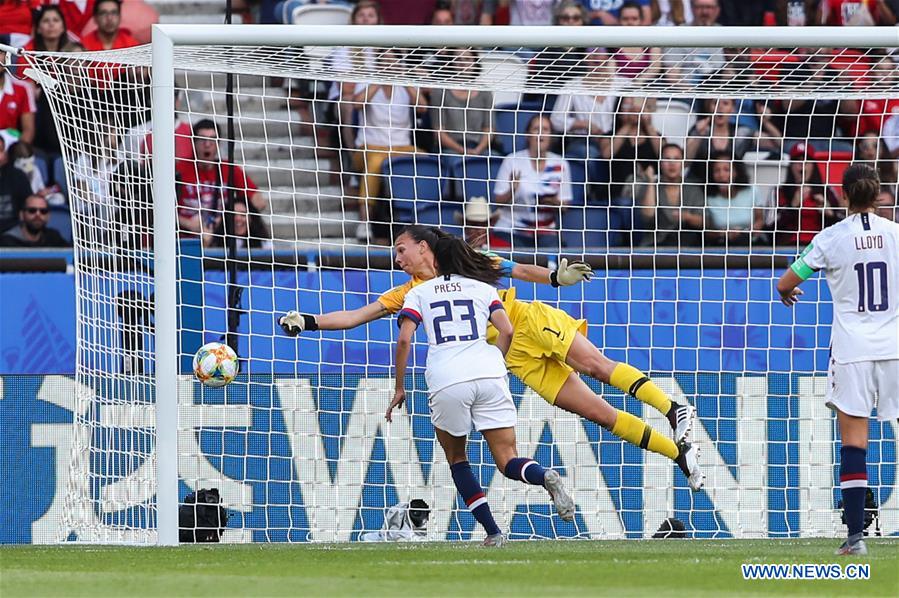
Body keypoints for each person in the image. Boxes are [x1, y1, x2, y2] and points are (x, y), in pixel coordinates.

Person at [280, 225, 704, 491]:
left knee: (595, 366)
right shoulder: (408, 292)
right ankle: (678, 454)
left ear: (423, 247)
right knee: (600, 415)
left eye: (401, 249)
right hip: (510, 359)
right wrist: (311, 320)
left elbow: (517, 269)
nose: (397, 258)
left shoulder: (465, 258)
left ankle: (673, 408)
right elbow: (357, 315)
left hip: (526, 320)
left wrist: (556, 277)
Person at [386, 233, 575, 545]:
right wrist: (495, 360)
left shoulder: (420, 292)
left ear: (435, 259)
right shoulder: (483, 287)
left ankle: (492, 532)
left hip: (447, 377)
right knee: (507, 458)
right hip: (489, 372)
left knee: (457, 458)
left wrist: (399, 387)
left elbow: (405, 339)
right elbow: (507, 329)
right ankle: (543, 476)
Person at [776, 163, 899, 556]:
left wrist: (786, 293)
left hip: (852, 352)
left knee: (854, 443)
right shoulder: (897, 235)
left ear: (843, 195)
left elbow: (787, 281)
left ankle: (854, 541)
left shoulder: (829, 239)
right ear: (879, 195)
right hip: (895, 346)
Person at [492, 114, 572, 248]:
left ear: (551, 136)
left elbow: (565, 204)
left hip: (545, 232)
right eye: (536, 129)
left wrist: (553, 203)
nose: (541, 133)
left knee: (554, 256)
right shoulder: (512, 161)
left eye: (545, 129)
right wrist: (512, 190)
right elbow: (498, 201)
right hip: (512, 230)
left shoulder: (561, 164)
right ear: (528, 135)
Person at [175, 119, 264, 238]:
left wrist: (225, 221)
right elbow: (159, 210)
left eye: (213, 139)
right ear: (193, 142)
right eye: (202, 139)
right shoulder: (179, 169)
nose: (207, 144)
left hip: (220, 239)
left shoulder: (228, 169)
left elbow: (259, 202)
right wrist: (188, 223)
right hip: (185, 240)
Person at [0, 193, 69, 247]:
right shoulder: (7, 241)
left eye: (43, 211)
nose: (38, 215)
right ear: (21, 215)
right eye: (32, 210)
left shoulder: (54, 238)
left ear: (48, 216)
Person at [0, 50, 36, 145]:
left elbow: (28, 130)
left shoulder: (23, 88)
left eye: (0, 53)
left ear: (7, 57)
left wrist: (15, 153)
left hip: (11, 148)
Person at [0, 134, 33, 231]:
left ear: (5, 156)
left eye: (0, 150)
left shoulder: (18, 176)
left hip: (13, 234)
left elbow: (28, 205)